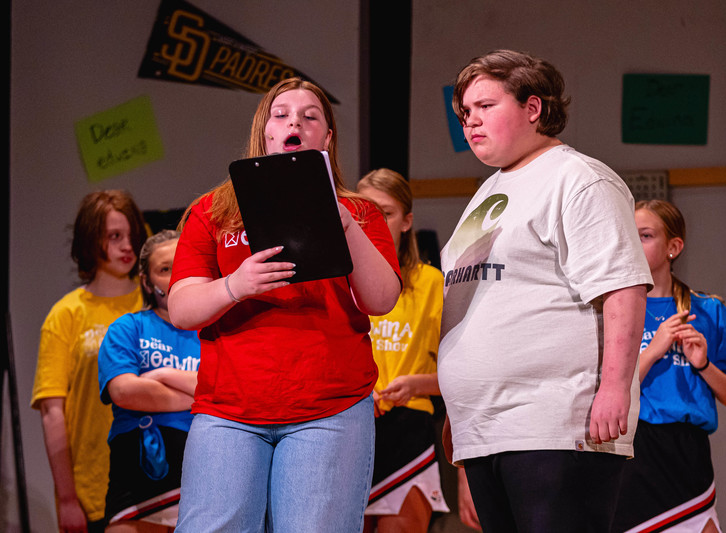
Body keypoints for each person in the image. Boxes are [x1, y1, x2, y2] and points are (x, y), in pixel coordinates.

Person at [169, 77, 402, 533]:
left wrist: (342, 222)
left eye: (310, 116)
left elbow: (381, 300)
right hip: (229, 411)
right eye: (282, 114)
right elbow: (182, 308)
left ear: (326, 137)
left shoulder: (360, 212)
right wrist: (235, 285)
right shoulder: (213, 211)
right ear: (266, 131)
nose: (295, 122)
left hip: (329, 408)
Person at [437, 49, 653, 533]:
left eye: (485, 106)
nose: (471, 121)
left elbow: (623, 287)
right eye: (465, 112)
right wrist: (461, 410)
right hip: (487, 430)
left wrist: (614, 388)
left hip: (556, 426)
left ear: (532, 108)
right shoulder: (489, 190)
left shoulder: (578, 179)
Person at [610, 200, 726, 533]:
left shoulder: (710, 311)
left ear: (673, 247)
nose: (634, 243)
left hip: (688, 457)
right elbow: (606, 392)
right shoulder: (612, 310)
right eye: (630, 234)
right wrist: (653, 350)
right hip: (633, 452)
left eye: (645, 235)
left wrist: (704, 365)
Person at [31, 190, 147, 533]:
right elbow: (52, 411)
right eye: (114, 236)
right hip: (92, 488)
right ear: (90, 239)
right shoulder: (65, 314)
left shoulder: (155, 303)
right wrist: (67, 498)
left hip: (157, 481)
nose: (127, 246)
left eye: (132, 235)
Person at [356, 169, 450, 533]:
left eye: (385, 213)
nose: (373, 223)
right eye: (363, 212)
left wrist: (415, 385)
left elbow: (463, 375)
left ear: (407, 221)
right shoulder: (336, 281)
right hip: (347, 426)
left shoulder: (432, 282)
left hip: (409, 428)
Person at [98, 230, 201, 531]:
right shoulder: (127, 328)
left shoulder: (218, 330)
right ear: (147, 282)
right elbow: (124, 391)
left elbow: (233, 389)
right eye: (164, 269)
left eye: (182, 264)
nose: (176, 276)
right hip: (138, 471)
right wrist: (201, 394)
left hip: (205, 467)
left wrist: (164, 375)